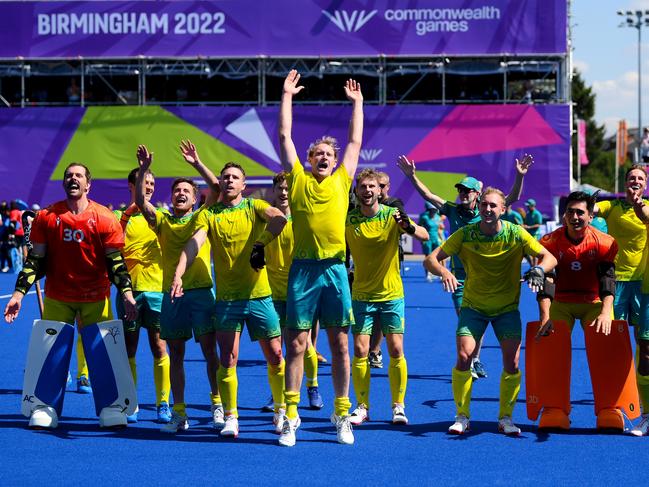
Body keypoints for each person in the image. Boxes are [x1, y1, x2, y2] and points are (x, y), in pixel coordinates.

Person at [4, 163, 138, 429]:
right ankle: (45, 405)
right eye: (69, 175)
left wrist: (126, 294)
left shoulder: (105, 218)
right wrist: (19, 294)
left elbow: (116, 263)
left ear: (88, 184)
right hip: (58, 296)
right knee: (51, 350)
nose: (73, 178)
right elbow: (35, 261)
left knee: (102, 353)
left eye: (78, 175)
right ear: (64, 183)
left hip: (95, 296)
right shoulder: (47, 217)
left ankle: (111, 406)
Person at [424, 187, 556, 435]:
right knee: (464, 357)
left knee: (512, 363)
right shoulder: (465, 234)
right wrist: (445, 271)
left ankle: (505, 418)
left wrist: (539, 269)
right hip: (473, 307)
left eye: (493, 206)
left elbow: (548, 257)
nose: (487, 209)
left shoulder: (515, 233)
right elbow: (430, 259)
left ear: (503, 210)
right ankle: (462, 415)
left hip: (506, 309)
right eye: (484, 205)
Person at [277, 69, 363, 446]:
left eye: (330, 154)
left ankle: (341, 413)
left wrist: (358, 103)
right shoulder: (297, 178)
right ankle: (291, 415)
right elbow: (284, 135)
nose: (325, 158)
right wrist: (286, 96)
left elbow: (355, 139)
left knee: (340, 344)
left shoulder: (345, 178)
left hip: (335, 270)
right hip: (303, 271)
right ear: (309, 159)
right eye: (318, 154)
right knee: (296, 344)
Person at [171, 162, 287, 438]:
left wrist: (261, 244)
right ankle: (232, 416)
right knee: (228, 358)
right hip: (227, 300)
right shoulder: (209, 214)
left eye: (235, 177)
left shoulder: (254, 207)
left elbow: (279, 218)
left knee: (276, 355)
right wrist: (178, 274)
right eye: (225, 177)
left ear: (243, 185)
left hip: (260, 296)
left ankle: (281, 409)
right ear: (220, 183)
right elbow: (194, 243)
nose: (229, 181)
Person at [398, 153, 534, 380]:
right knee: (466, 317)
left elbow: (512, 197)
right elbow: (428, 195)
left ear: (477, 195)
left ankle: (475, 359)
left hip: (489, 278)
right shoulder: (452, 210)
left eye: (467, 190)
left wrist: (519, 176)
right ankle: (472, 360)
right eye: (460, 190)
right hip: (460, 277)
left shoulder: (488, 209)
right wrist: (412, 177)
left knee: (486, 326)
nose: (462, 193)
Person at [134, 142, 223, 433]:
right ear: (171, 197)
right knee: (176, 354)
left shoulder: (202, 217)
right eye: (177, 191)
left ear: (196, 199)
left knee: (211, 352)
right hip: (172, 296)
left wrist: (197, 162)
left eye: (187, 191)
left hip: (201, 293)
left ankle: (217, 404)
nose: (181, 193)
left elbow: (217, 188)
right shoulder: (161, 220)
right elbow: (140, 203)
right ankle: (179, 412)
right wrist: (144, 171)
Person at [533, 191, 629, 431]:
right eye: (570, 212)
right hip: (562, 301)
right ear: (564, 215)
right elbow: (547, 280)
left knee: (607, 347)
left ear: (589, 215)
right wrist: (545, 315)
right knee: (551, 347)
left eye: (580, 212)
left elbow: (608, 279)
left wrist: (606, 313)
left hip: (594, 301)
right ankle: (554, 407)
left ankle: (610, 408)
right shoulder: (550, 241)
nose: (574, 217)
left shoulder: (604, 242)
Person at [346, 169, 429, 426]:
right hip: (361, 294)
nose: (368, 191)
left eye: (372, 186)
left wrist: (408, 225)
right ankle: (362, 406)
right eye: (363, 187)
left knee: (395, 349)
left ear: (379, 190)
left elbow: (424, 235)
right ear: (357, 191)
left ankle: (398, 406)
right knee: (360, 350)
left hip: (392, 294)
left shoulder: (392, 215)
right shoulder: (347, 220)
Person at [262, 171, 324, 411]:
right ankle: (277, 394)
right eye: (280, 188)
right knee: (275, 349)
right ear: (274, 191)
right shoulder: (264, 217)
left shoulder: (301, 218)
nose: (284, 193)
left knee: (305, 344)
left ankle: (312, 386)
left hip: (299, 291)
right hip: (269, 292)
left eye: (288, 189)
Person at [114, 167, 171, 423]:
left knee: (160, 347)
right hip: (130, 293)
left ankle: (163, 404)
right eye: (141, 182)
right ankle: (130, 402)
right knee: (129, 348)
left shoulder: (163, 217)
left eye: (151, 183)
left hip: (158, 293)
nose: (147, 186)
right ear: (131, 186)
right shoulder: (118, 216)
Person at [594, 165, 648, 328]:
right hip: (616, 280)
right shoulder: (612, 206)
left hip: (642, 280)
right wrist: (582, 206)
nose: (635, 181)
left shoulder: (647, 206)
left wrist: (639, 207)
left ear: (645, 185)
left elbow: (646, 216)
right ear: (625, 183)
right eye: (632, 178)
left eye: (640, 178)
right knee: (617, 331)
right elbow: (592, 209)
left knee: (643, 338)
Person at [367, 171, 407, 369]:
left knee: (381, 312)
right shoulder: (361, 207)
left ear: (387, 187)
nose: (379, 190)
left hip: (389, 264)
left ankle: (374, 350)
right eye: (376, 186)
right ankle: (369, 348)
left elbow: (405, 221)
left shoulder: (393, 205)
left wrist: (405, 223)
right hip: (362, 266)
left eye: (382, 186)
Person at [419, 202, 445, 281]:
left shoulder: (438, 217)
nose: (433, 211)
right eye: (432, 210)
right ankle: (428, 274)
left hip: (436, 239)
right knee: (427, 257)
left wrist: (441, 238)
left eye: (435, 210)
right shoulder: (424, 217)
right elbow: (419, 226)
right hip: (427, 239)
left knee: (438, 257)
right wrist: (421, 238)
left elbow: (440, 228)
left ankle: (440, 274)